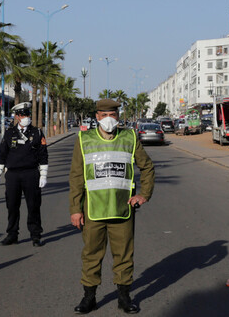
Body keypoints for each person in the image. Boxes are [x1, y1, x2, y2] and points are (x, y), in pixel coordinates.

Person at [69, 99, 155, 314]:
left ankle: (124, 298)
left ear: (118, 116)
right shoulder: (84, 139)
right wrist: (75, 209)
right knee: (91, 255)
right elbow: (77, 177)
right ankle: (89, 298)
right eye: (104, 115)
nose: (108, 119)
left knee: (124, 255)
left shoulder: (130, 137)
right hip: (93, 211)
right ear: (97, 116)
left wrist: (144, 194)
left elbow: (147, 167)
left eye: (113, 115)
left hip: (122, 210)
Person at [0, 105, 49, 246]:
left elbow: (43, 155)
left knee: (34, 205)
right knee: (12, 206)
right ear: (17, 117)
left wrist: (43, 175)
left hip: (31, 173)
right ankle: (12, 234)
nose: (26, 118)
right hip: (13, 174)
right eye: (22, 116)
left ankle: (36, 235)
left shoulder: (37, 132)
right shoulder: (9, 133)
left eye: (27, 115)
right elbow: (2, 155)